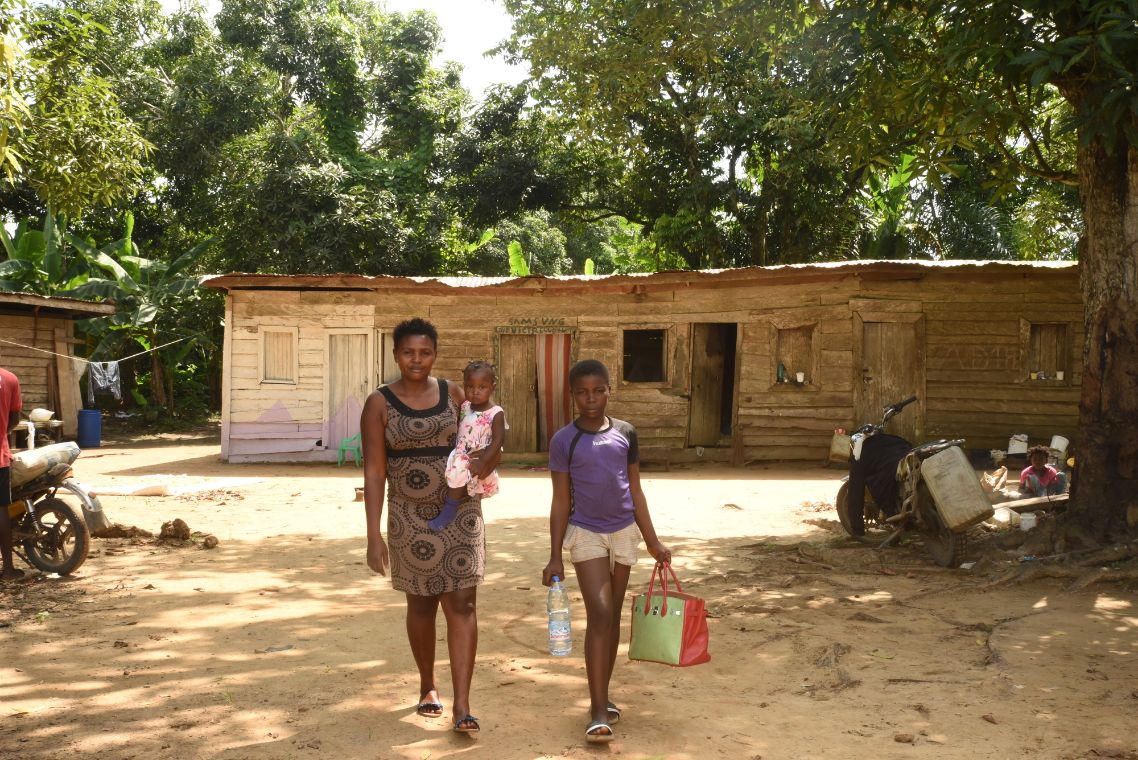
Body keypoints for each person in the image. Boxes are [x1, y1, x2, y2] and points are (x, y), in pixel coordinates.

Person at [360, 318, 498, 735]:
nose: (416, 360)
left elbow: (484, 430)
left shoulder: (454, 393)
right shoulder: (379, 403)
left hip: (460, 512)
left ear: (435, 355)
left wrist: (490, 458)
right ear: (396, 354)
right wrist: (373, 535)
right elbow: (374, 472)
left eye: (425, 352)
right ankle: (427, 685)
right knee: (420, 605)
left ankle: (463, 705)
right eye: (408, 352)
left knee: (463, 604)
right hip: (408, 517)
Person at [542, 359, 671, 744]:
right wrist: (554, 554)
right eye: (582, 392)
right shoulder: (564, 440)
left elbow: (635, 489)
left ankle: (603, 693)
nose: (591, 398)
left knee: (612, 616)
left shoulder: (626, 433)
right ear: (572, 396)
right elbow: (560, 500)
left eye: (598, 390)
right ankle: (598, 711)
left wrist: (652, 540)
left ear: (609, 391)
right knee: (599, 612)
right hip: (586, 534)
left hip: (624, 532)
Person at [430, 360, 507, 532]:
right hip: (462, 452)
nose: (475, 391)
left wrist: (483, 461)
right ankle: (453, 513)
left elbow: (498, 440)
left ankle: (453, 514)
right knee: (459, 472)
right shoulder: (464, 407)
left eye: (482, 387)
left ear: (493, 387)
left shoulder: (496, 413)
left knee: (473, 492)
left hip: (482, 457)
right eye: (470, 386)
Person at [1, 366, 24, 581]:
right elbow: (15, 419)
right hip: (0, 457)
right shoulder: (9, 378)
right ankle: (8, 569)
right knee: (2, 511)